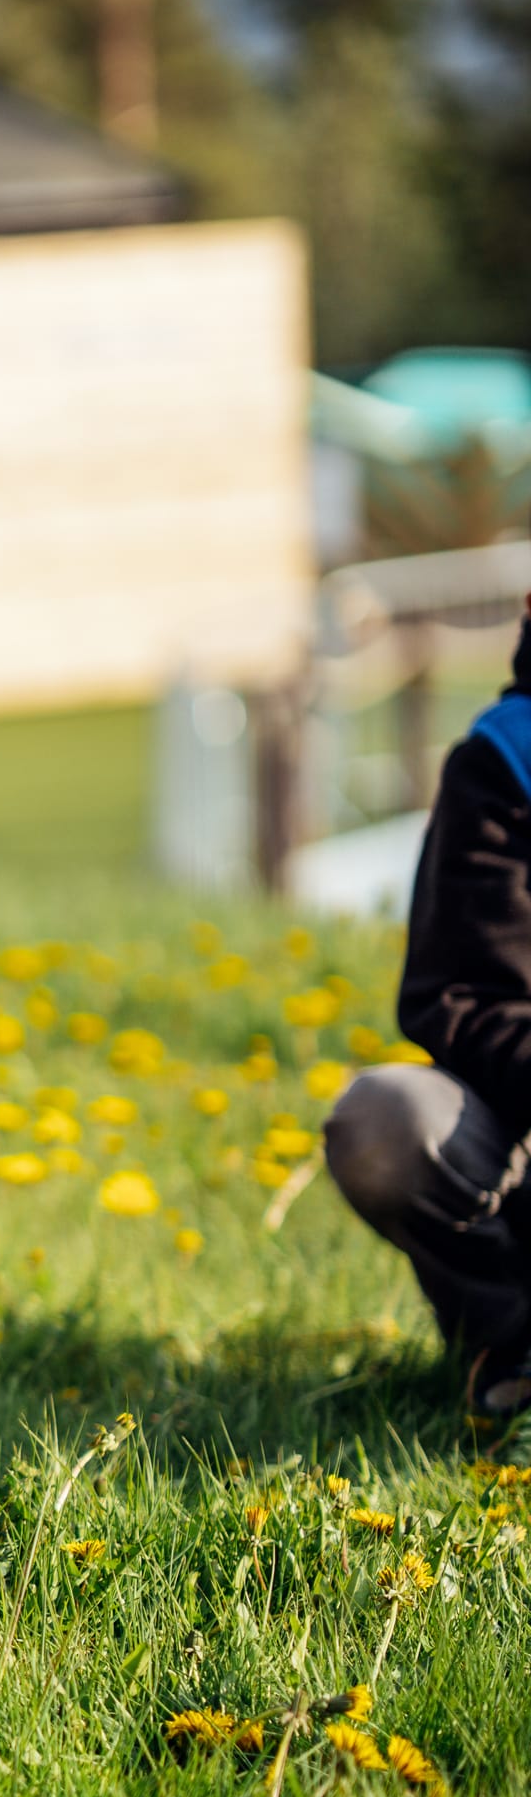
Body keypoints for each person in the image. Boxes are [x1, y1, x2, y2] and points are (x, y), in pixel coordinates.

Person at [327, 605, 531, 1420]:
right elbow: (460, 998)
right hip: (518, 1141)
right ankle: (508, 1346)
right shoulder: (504, 760)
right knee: (385, 1121)